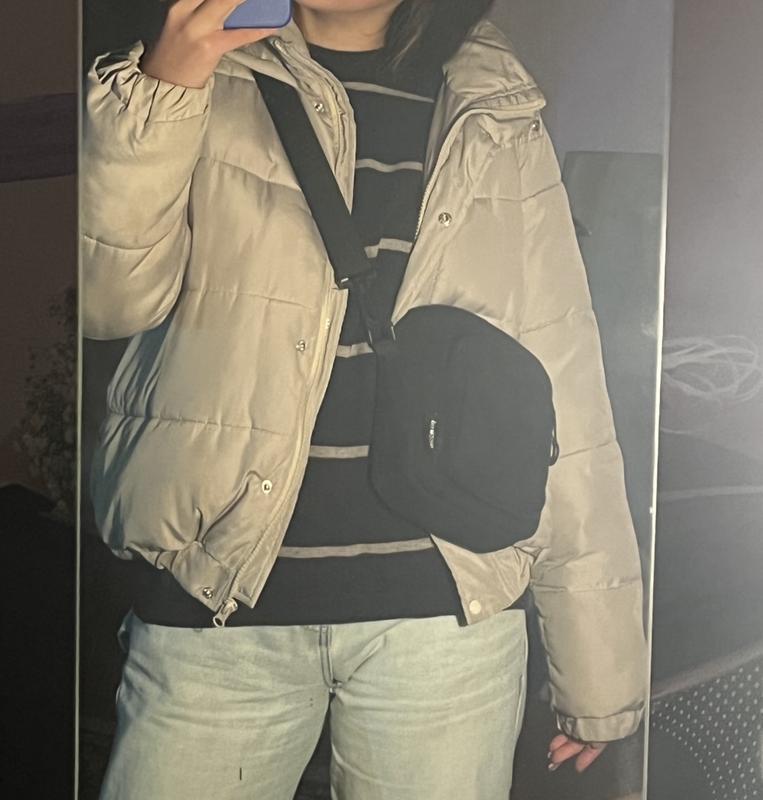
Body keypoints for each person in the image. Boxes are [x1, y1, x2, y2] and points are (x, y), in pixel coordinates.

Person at [81, 1, 648, 797]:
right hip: (214, 595)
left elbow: (561, 370)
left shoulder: (491, 105)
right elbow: (108, 301)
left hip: (445, 610)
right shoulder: (197, 72)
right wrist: (161, 91)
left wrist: (598, 666)